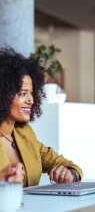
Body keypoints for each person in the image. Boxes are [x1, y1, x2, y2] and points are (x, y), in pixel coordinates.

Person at [0, 47, 83, 187]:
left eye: (31, 93)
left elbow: (69, 166)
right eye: (22, 93)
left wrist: (70, 174)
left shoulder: (25, 135)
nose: (31, 100)